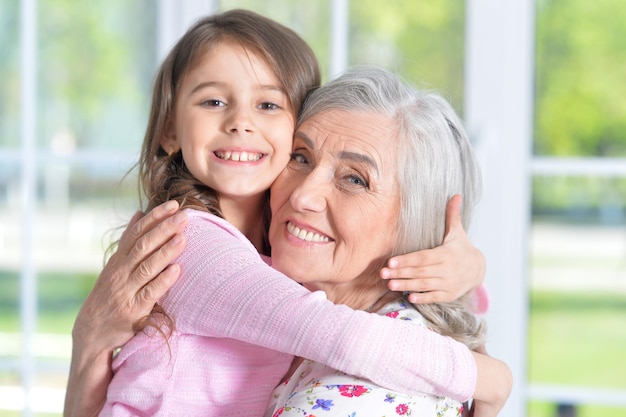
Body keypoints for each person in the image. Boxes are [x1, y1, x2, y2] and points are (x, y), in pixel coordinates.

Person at [63, 9, 500, 417]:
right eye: (213, 101)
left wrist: (468, 267)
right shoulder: (189, 242)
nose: (240, 123)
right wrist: (492, 379)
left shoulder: (273, 246)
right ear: (170, 130)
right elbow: (340, 335)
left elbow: (454, 296)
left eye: (268, 105)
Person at [264, 66, 502, 416]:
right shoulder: (286, 285)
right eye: (300, 157)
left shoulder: (357, 397)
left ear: (415, 221)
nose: (302, 196)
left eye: (355, 180)